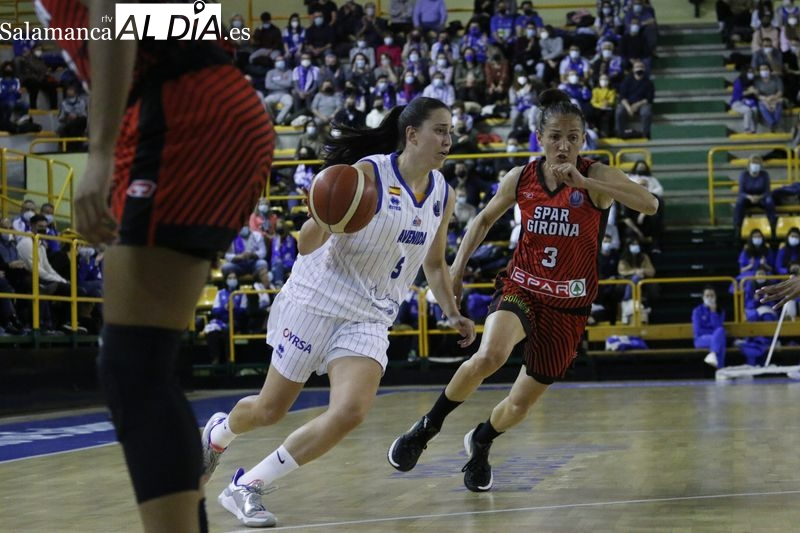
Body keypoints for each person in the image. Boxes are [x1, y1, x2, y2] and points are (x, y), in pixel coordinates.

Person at [36, 2, 275, 532]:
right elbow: (208, 17)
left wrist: (97, 155)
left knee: (134, 365)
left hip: (178, 112)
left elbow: (113, 11)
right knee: (141, 362)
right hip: (204, 103)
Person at [201, 97, 476, 526]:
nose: (448, 140)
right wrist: (327, 218)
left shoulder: (443, 192)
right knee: (270, 410)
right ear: (412, 134)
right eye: (440, 130)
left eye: (451, 131)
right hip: (316, 301)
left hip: (369, 315)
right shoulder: (365, 174)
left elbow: (435, 263)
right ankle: (219, 434)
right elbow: (305, 243)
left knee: (350, 411)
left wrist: (452, 311)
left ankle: (246, 487)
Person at [386, 89, 657, 492]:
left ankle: (481, 440)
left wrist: (586, 182)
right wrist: (456, 270)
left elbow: (649, 204)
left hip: (568, 305)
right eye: (555, 136)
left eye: (573, 137)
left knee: (519, 404)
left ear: (583, 140)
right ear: (539, 138)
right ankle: (426, 428)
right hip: (522, 287)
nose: (564, 145)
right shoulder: (522, 177)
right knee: (490, 355)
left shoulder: (597, 177)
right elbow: (481, 221)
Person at [692, 286, 728, 369]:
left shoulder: (720, 311)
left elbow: (718, 328)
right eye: (707, 296)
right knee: (720, 339)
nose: (710, 298)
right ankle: (720, 369)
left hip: (714, 338)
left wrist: (713, 312)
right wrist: (714, 336)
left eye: (712, 296)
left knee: (721, 331)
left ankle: (713, 354)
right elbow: (698, 331)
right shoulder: (697, 311)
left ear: (715, 297)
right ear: (703, 297)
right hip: (700, 339)